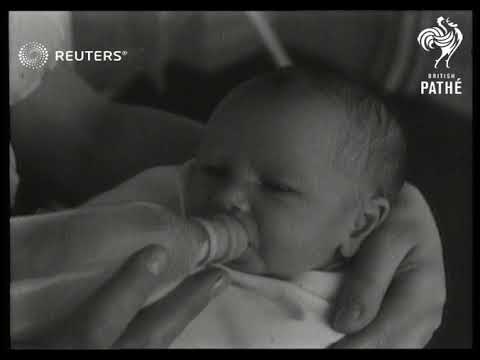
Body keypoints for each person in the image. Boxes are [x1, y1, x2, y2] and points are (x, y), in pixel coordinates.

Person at [10, 15, 445, 348]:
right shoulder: (165, 205)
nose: (228, 195)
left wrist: (350, 178)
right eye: (214, 171)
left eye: (276, 186)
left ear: (361, 224)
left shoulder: (326, 312)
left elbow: (85, 132)